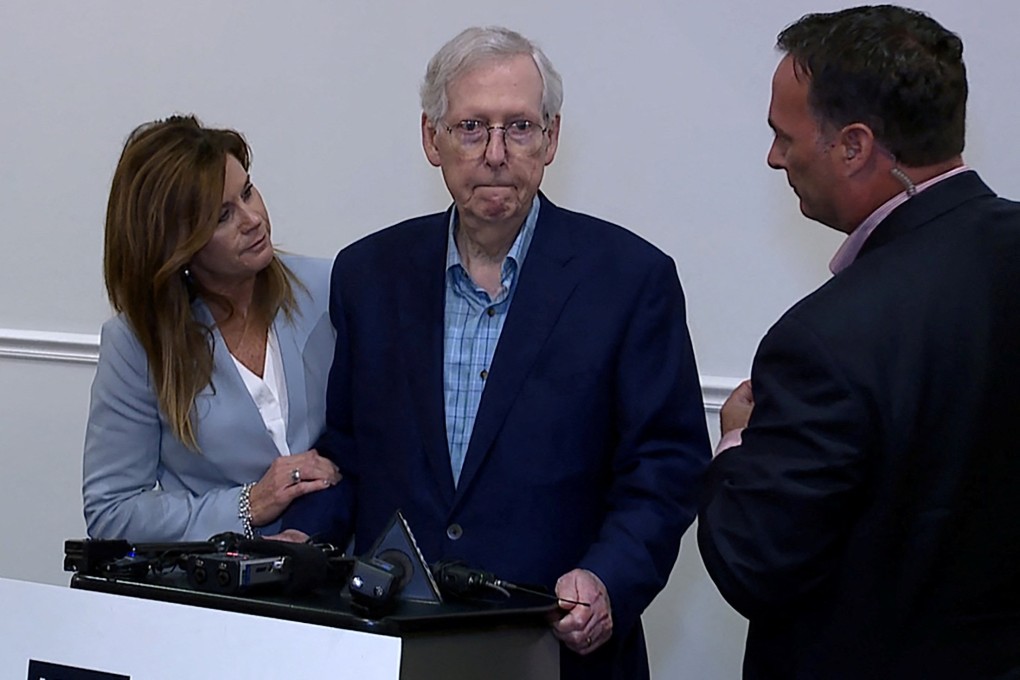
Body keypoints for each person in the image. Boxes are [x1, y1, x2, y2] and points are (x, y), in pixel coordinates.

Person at [283, 26, 710, 680]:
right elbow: (350, 454)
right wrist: (301, 544)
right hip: (397, 643)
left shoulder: (630, 279)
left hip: (557, 648)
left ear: (552, 138)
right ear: (432, 139)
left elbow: (666, 467)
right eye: (471, 127)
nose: (496, 153)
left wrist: (607, 577)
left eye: (520, 128)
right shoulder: (370, 273)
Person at [698, 6, 1020, 679]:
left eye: (784, 136)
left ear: (853, 145)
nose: (774, 157)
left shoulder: (824, 339)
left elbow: (755, 566)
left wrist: (736, 442)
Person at [83, 115, 340, 543]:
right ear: (174, 244)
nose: (252, 218)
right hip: (222, 594)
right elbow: (112, 511)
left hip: (340, 577)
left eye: (247, 192)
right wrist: (248, 504)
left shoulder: (331, 288)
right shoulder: (136, 343)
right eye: (222, 216)